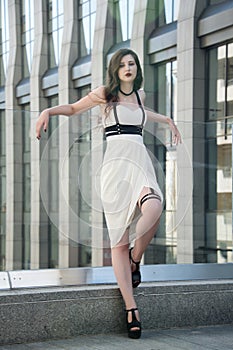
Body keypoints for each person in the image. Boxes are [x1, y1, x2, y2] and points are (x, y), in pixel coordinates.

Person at [36, 48, 181, 339]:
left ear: (136, 68)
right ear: (115, 70)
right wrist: (48, 110)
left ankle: (135, 258)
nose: (128, 68)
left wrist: (167, 120)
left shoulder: (140, 95)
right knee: (117, 240)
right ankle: (131, 308)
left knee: (154, 207)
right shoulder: (105, 94)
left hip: (140, 163)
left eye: (132, 64)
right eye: (123, 64)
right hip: (115, 170)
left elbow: (141, 114)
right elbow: (75, 108)